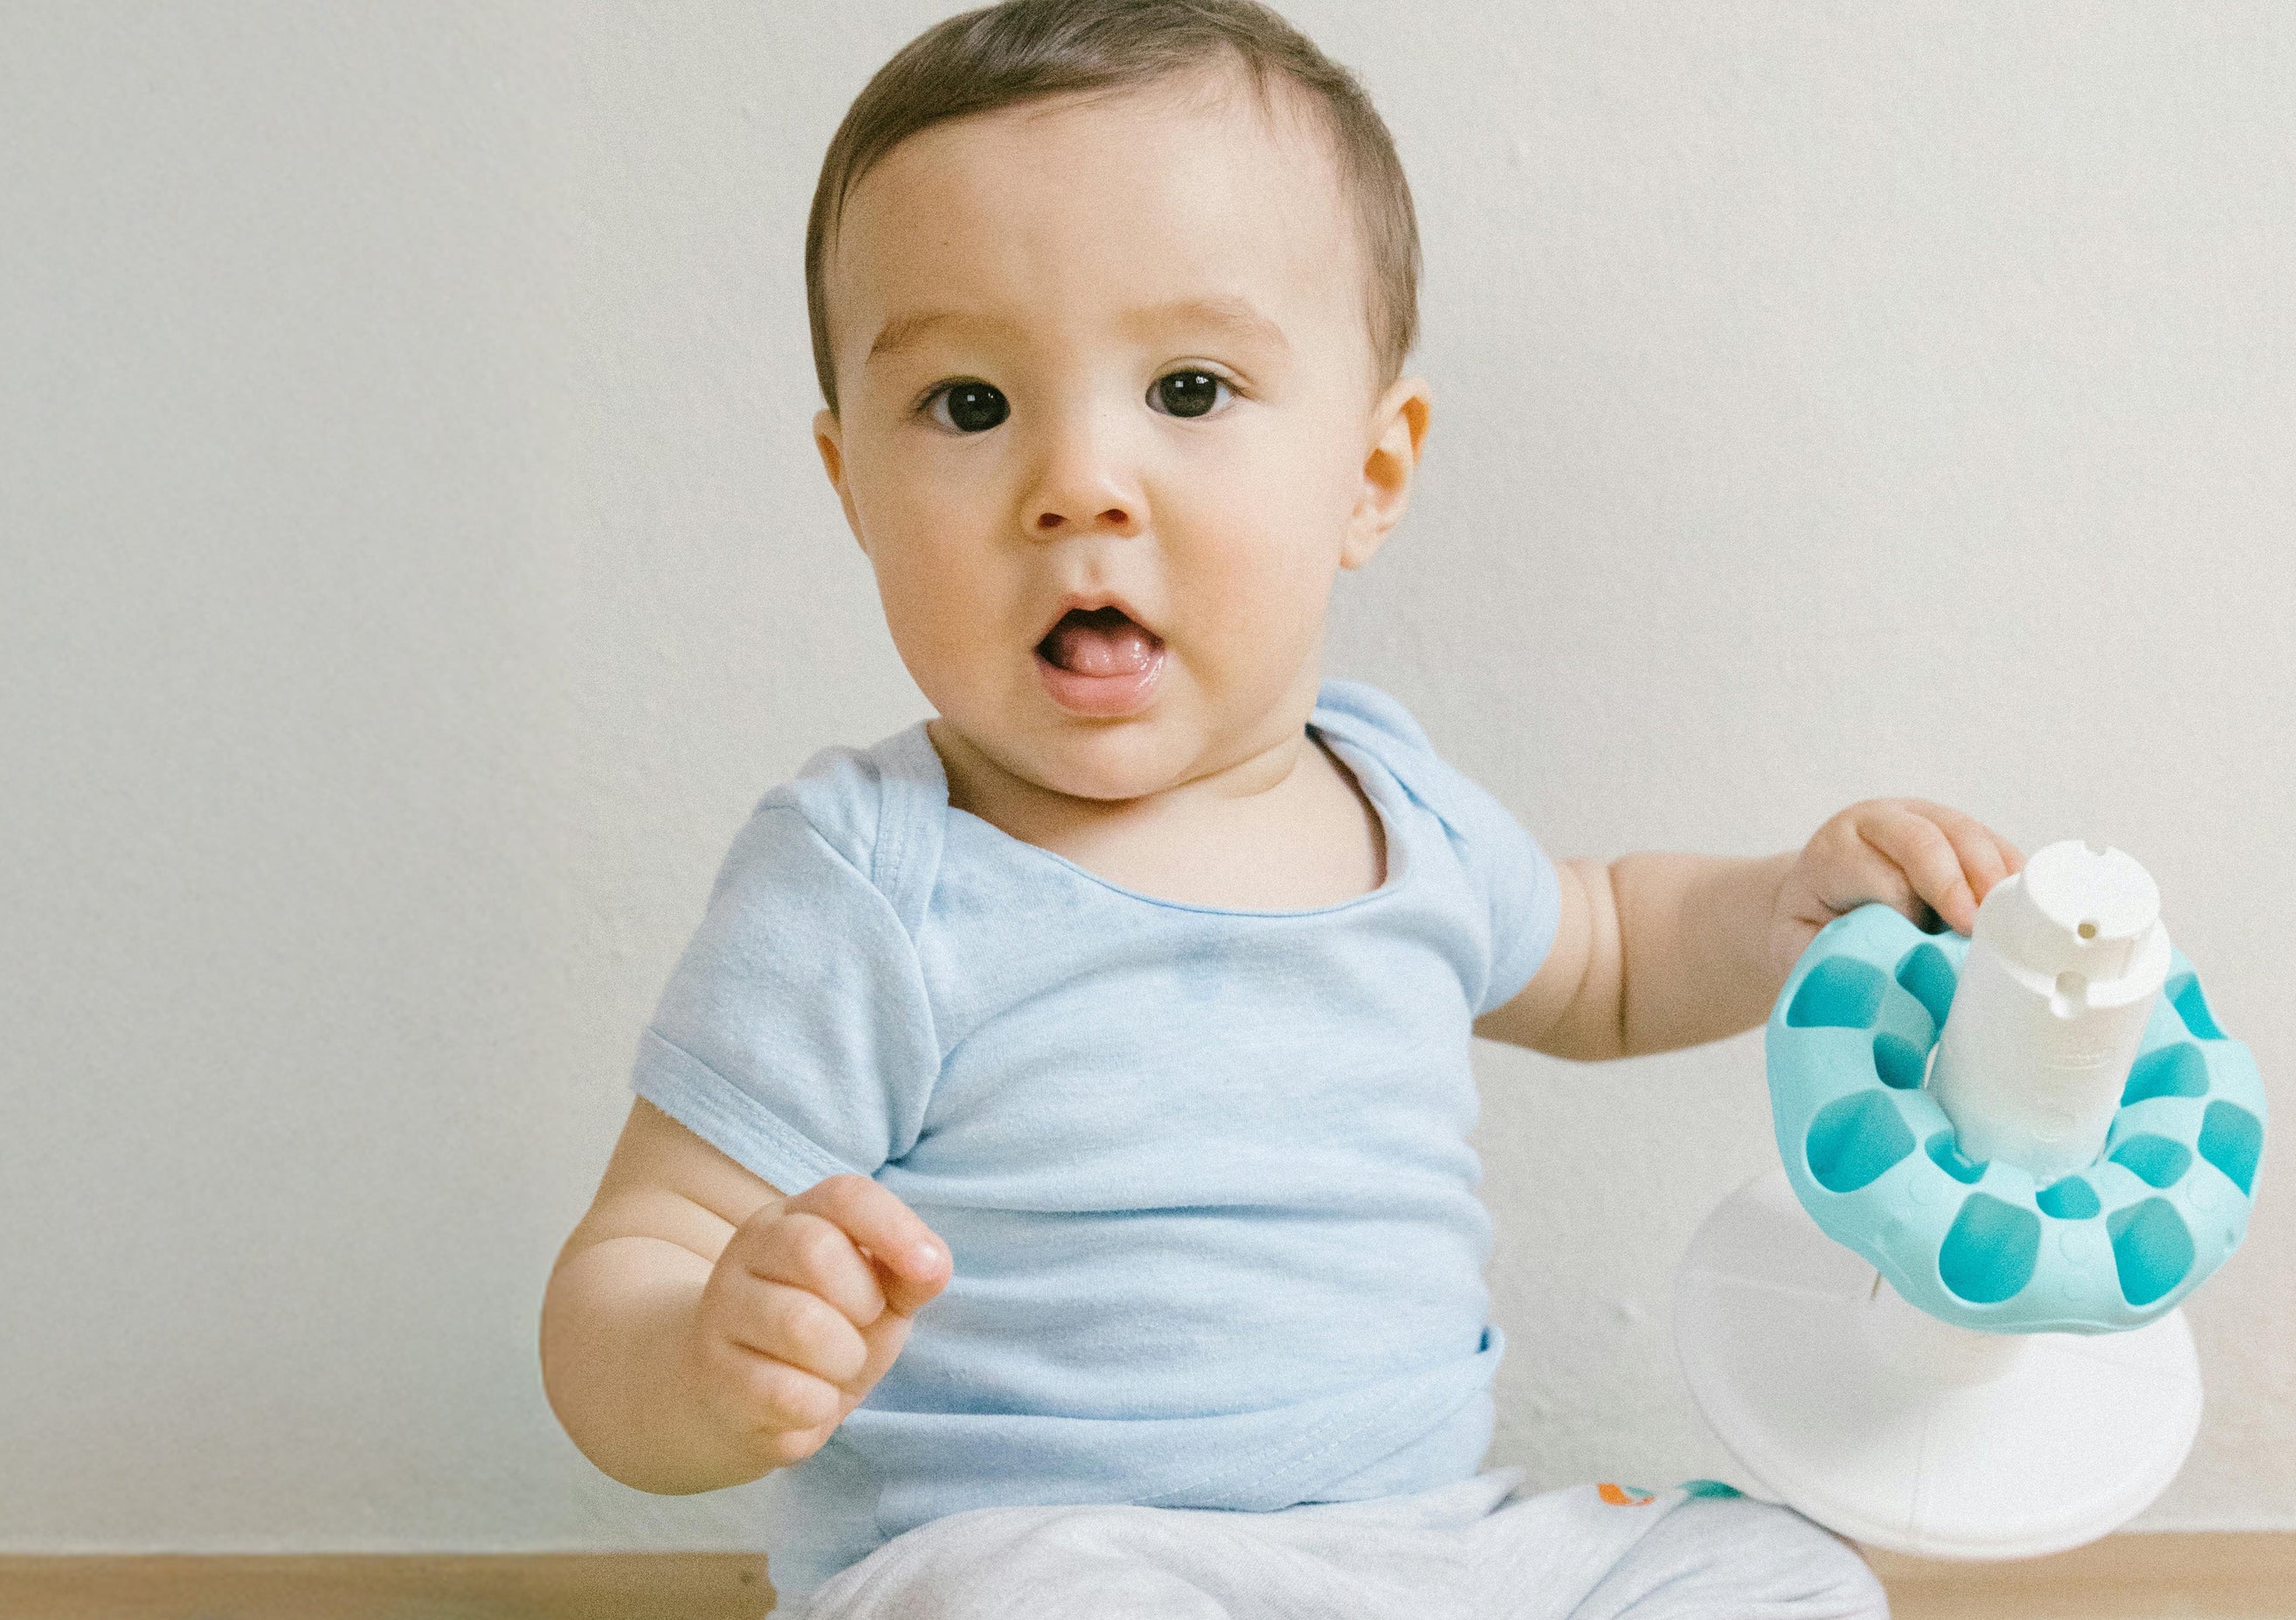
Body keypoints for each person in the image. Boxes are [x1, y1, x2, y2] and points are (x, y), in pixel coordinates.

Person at [540, 3, 2022, 1613]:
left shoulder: (1399, 803)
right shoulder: (871, 881)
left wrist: (1789, 907)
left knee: (1773, 1570)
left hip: (1428, 1544)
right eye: (969, 404)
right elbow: (626, 1270)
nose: (1079, 482)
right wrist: (704, 1355)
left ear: (1370, 477)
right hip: (1043, 1554)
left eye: (1187, 386)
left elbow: (1600, 953)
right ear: (852, 489)